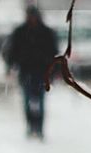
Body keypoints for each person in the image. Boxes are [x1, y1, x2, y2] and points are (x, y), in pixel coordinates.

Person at [4, 8, 59, 139]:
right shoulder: (20, 32)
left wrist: (54, 70)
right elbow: (11, 52)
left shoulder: (46, 33)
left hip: (42, 72)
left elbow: (54, 53)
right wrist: (11, 65)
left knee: (39, 100)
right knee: (28, 100)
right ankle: (30, 126)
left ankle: (39, 127)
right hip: (26, 71)